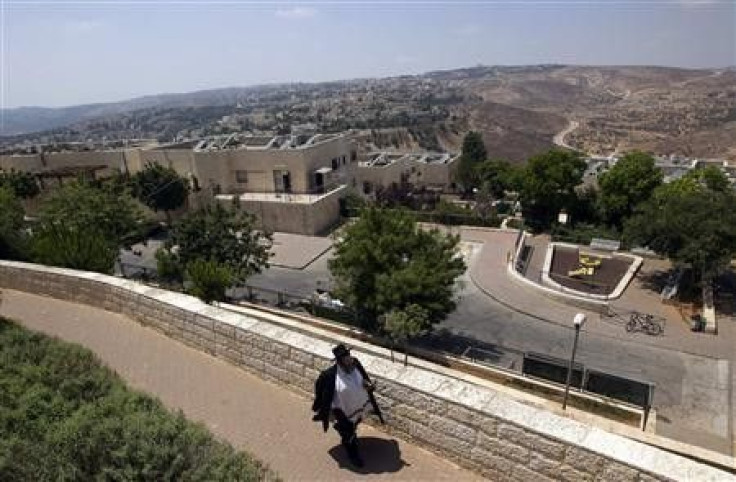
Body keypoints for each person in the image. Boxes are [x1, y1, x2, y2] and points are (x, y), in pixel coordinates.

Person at [312, 343, 383, 468]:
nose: (349, 359)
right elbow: (319, 388)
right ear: (339, 361)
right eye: (346, 357)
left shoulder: (355, 364)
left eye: (349, 355)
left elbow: (364, 378)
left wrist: (369, 386)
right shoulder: (329, 375)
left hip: (358, 406)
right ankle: (352, 454)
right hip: (341, 410)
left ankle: (347, 432)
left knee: (354, 424)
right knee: (348, 432)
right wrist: (322, 406)